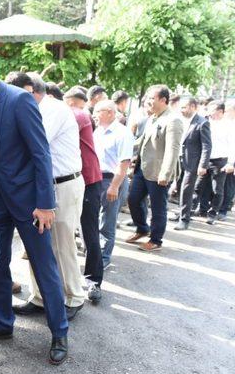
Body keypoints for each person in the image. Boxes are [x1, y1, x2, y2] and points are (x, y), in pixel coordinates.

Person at [0, 42, 69, 365]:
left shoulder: (19, 100)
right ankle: (4, 322)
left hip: (31, 203)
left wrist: (45, 204)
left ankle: (59, 331)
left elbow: (41, 153)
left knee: (42, 263)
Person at [20, 73, 86, 320]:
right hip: (43, 184)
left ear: (31, 91)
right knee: (36, 243)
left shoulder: (53, 109)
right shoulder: (38, 107)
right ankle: (39, 297)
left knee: (61, 242)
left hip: (63, 184)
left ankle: (73, 296)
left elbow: (34, 143)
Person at [126, 85, 183, 251]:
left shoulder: (173, 120)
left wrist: (165, 174)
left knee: (158, 207)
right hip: (142, 169)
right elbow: (141, 141)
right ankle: (142, 228)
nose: (148, 101)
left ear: (163, 100)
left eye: (152, 98)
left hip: (159, 172)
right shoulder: (152, 117)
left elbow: (173, 149)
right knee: (133, 199)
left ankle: (156, 240)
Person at [70, 96, 104, 303]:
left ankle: (93, 281)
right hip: (68, 181)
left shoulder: (77, 115)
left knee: (88, 232)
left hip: (88, 180)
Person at [92, 100, 134, 268]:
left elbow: (124, 163)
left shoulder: (122, 133)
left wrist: (114, 186)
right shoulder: (98, 131)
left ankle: (104, 257)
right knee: (93, 219)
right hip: (96, 179)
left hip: (111, 180)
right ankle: (94, 252)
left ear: (109, 112)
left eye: (98, 111)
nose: (95, 115)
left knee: (107, 221)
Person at [169, 97, 211, 230]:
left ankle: (184, 219)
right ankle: (181, 213)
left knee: (187, 190)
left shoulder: (202, 123)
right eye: (180, 107)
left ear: (193, 107)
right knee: (180, 187)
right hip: (179, 161)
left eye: (184, 107)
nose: (181, 110)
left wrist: (203, 165)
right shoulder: (180, 120)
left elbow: (206, 146)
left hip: (192, 163)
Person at [192, 101, 233, 225]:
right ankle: (196, 209)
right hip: (205, 160)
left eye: (212, 110)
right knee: (198, 186)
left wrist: (231, 163)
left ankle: (213, 213)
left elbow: (233, 146)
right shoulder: (206, 122)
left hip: (220, 161)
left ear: (220, 111)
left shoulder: (229, 126)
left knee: (217, 189)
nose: (209, 112)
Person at [218, 101, 235, 220]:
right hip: (226, 156)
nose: (226, 112)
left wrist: (231, 162)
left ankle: (224, 209)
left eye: (228, 110)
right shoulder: (226, 124)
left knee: (229, 185)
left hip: (231, 159)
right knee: (222, 185)